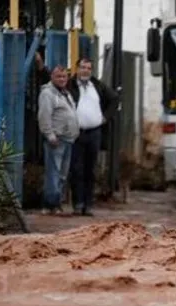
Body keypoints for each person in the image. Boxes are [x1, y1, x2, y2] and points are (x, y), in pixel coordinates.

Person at [66, 58, 119, 216]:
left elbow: (114, 99)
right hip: (77, 132)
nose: (86, 71)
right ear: (77, 69)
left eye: (89, 68)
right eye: (83, 67)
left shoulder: (97, 85)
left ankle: (88, 204)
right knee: (76, 169)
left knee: (90, 169)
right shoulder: (70, 85)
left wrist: (105, 117)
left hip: (94, 132)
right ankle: (77, 203)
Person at [37, 65, 80, 215]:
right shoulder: (48, 94)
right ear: (52, 77)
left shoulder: (65, 93)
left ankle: (56, 203)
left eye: (64, 77)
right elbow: (44, 116)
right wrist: (49, 135)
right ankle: (50, 205)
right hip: (56, 139)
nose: (62, 79)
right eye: (58, 77)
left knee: (62, 175)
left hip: (68, 139)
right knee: (53, 173)